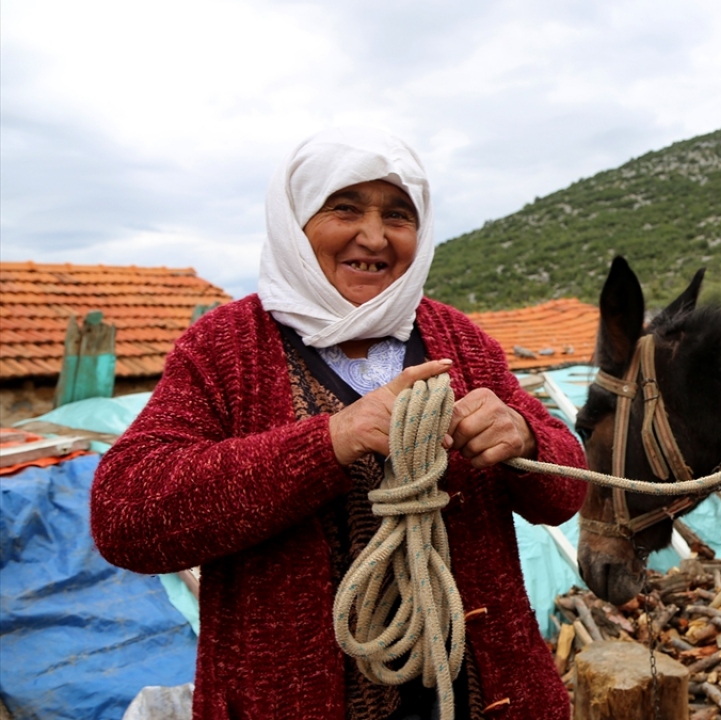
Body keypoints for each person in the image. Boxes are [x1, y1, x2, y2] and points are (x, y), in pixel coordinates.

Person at [91, 128, 588, 720]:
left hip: (487, 697)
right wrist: (331, 441)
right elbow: (126, 515)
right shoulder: (225, 349)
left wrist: (525, 436)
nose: (374, 236)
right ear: (295, 222)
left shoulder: (460, 340)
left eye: (398, 216)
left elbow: (566, 491)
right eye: (344, 208)